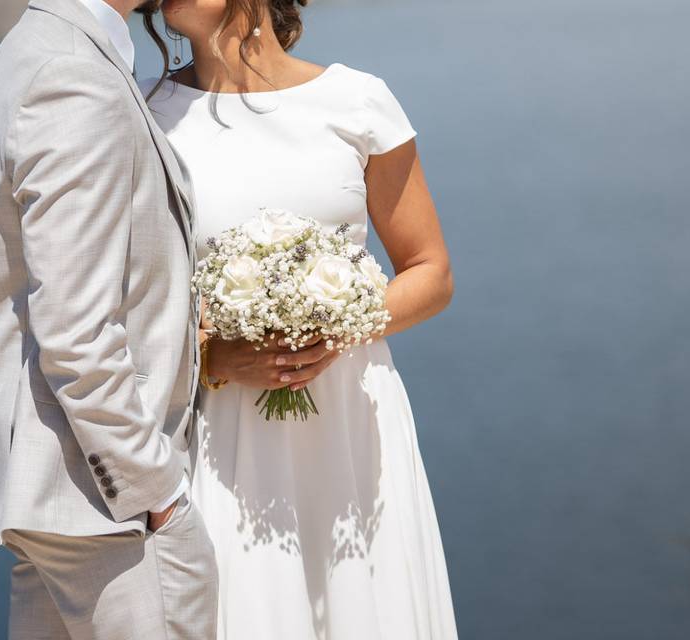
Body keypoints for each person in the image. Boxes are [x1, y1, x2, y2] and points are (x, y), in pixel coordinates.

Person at [140, 1, 459, 638]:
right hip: (223, 436)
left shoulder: (358, 101)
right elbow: (129, 304)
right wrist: (213, 356)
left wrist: (337, 323)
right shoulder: (144, 116)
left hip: (352, 428)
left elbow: (430, 273)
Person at [0, 0, 217, 637]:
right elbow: (76, 329)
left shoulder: (38, 46)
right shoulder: (72, 73)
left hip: (60, 503)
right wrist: (155, 493)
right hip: (106, 511)